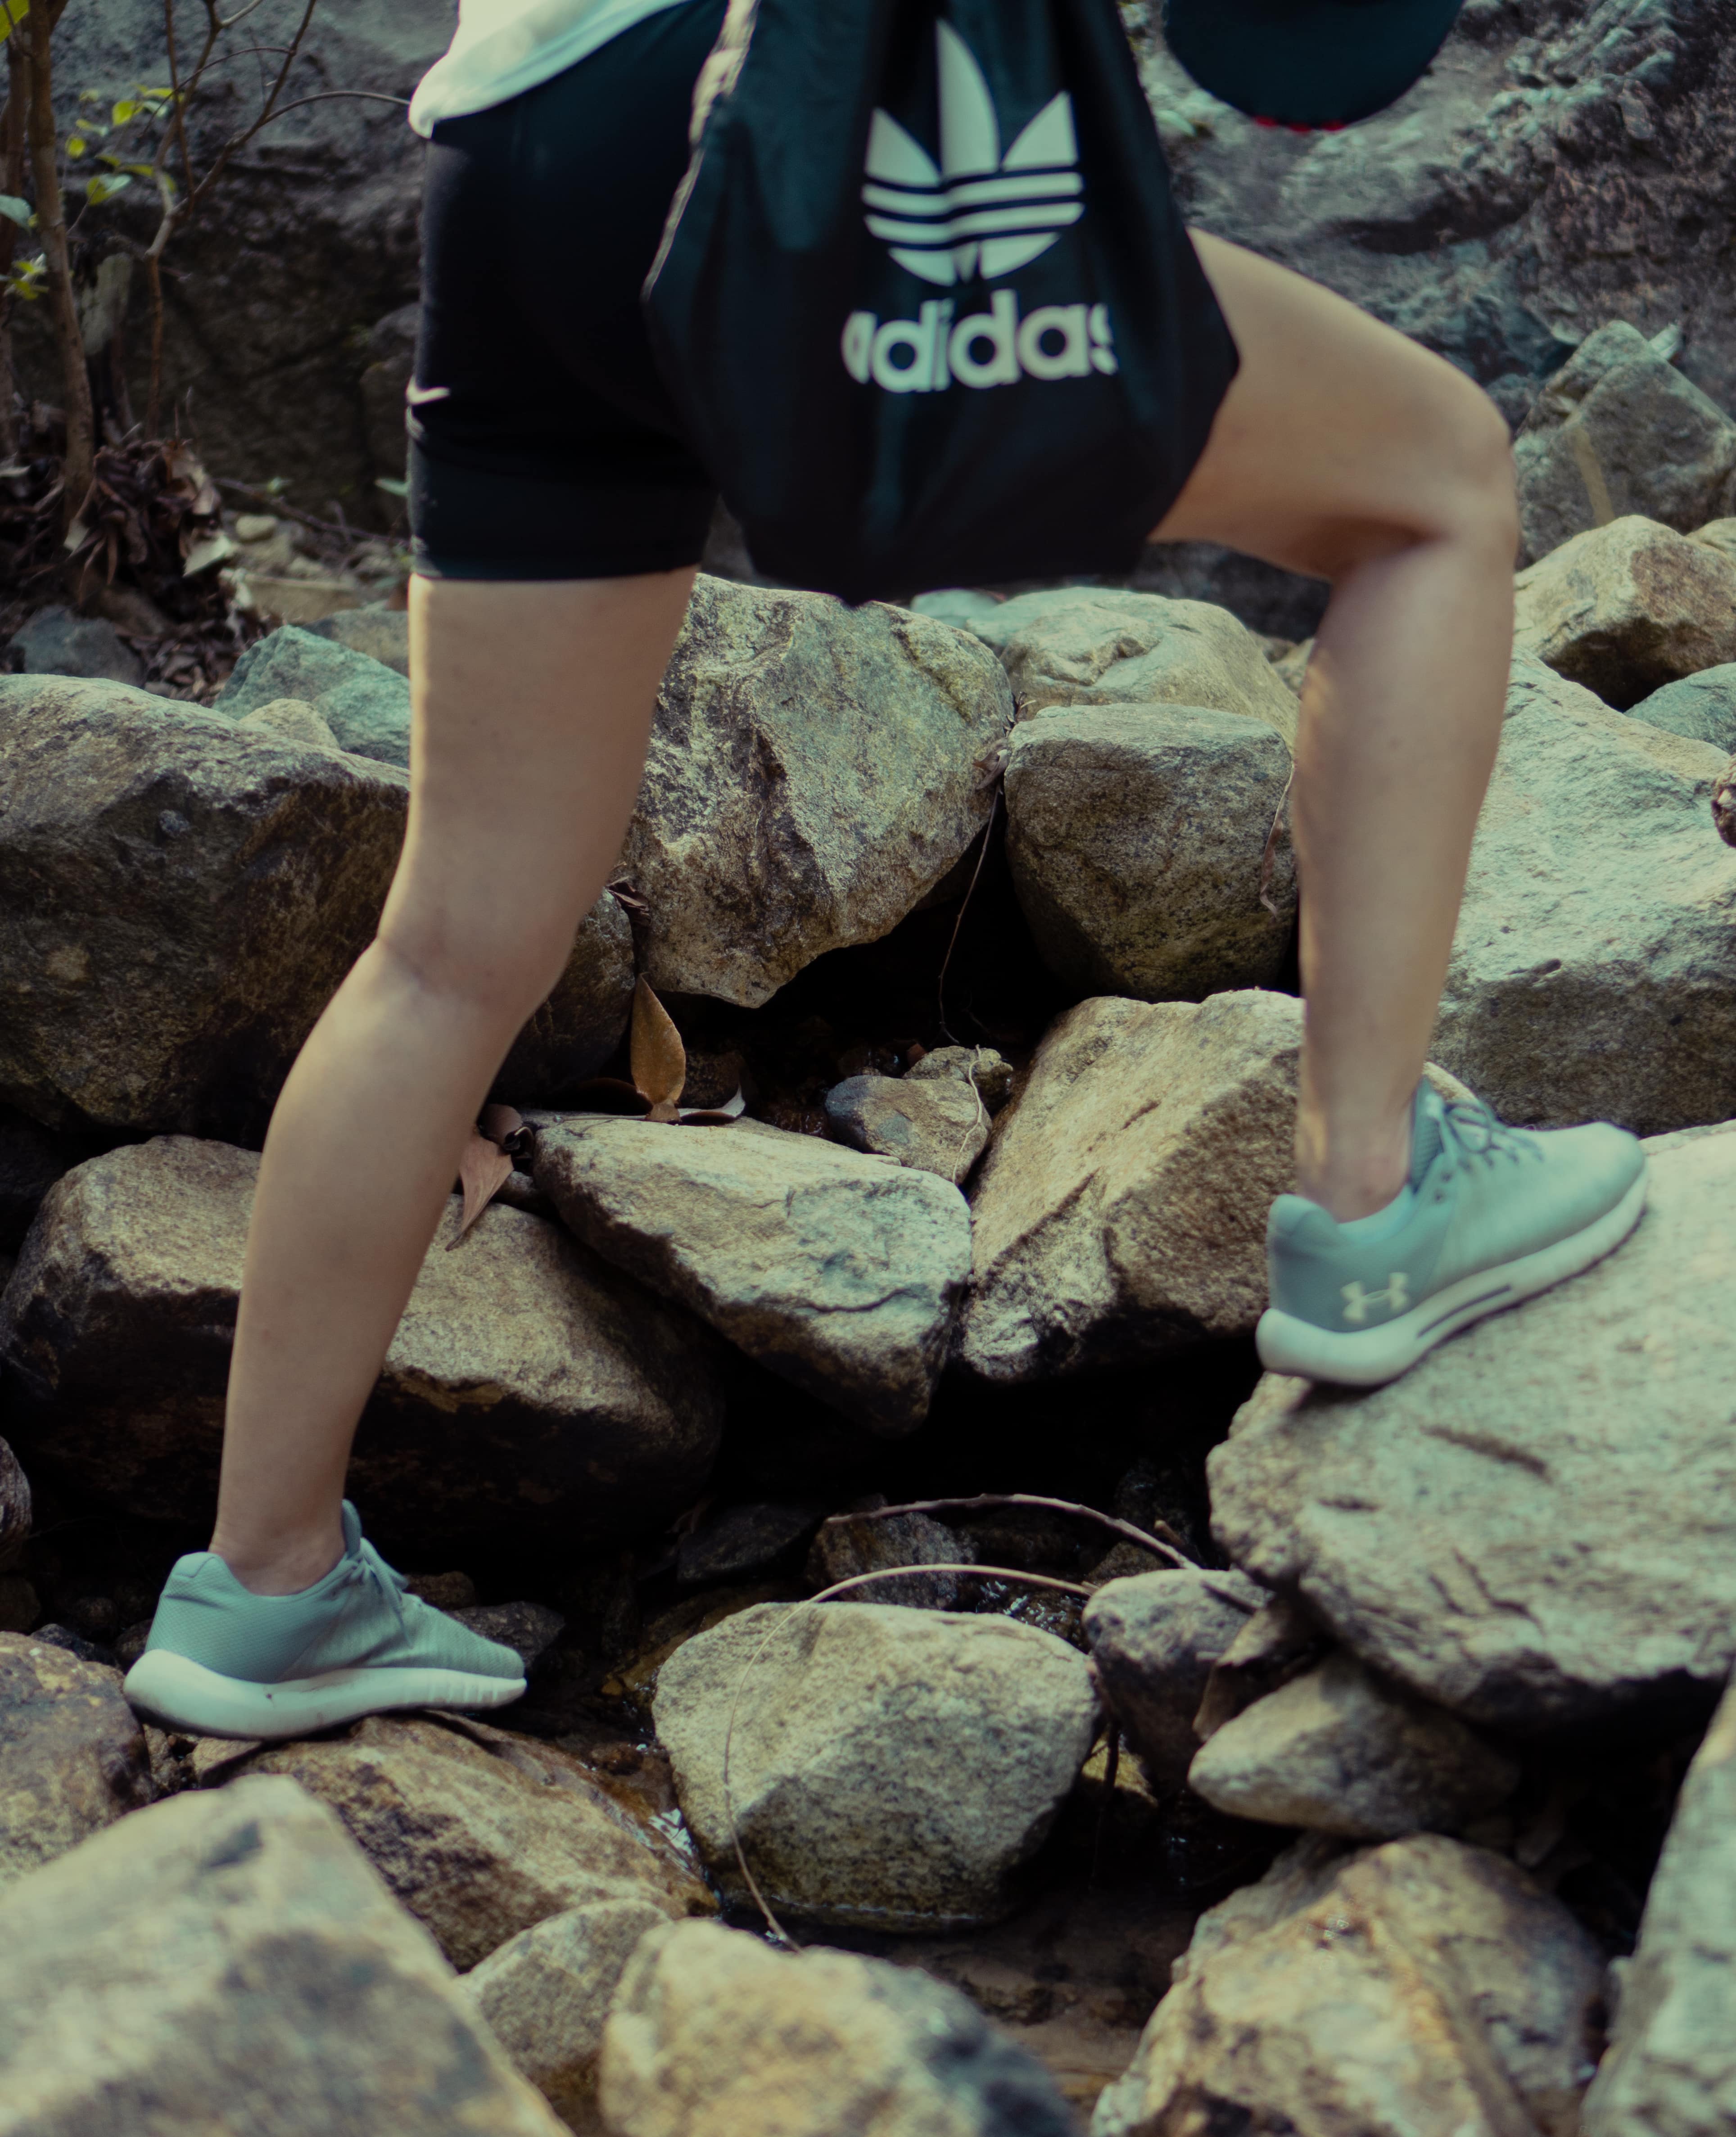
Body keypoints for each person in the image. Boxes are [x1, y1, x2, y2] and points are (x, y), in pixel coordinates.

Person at [121, 0, 1646, 1740]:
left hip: (521, 153)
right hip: (782, 117)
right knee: (1435, 477)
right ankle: (1377, 1194)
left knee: (455, 940)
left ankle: (262, 1584)